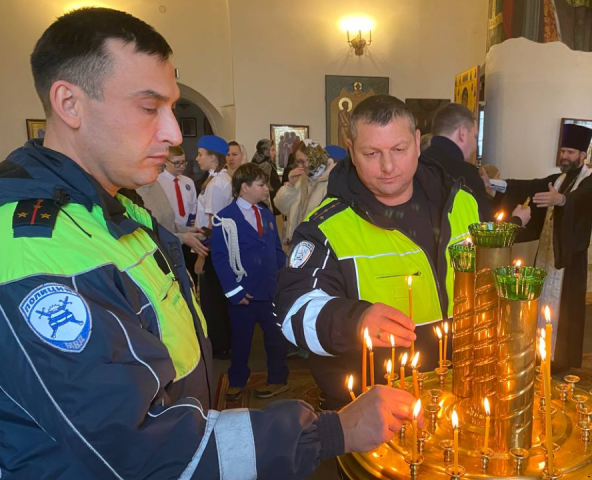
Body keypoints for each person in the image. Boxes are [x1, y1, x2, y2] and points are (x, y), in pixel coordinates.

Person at [0, 8, 423, 480]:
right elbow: (139, 451)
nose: (173, 132)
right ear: (69, 103)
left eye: (171, 107)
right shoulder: (32, 249)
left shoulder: (118, 209)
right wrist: (331, 431)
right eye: (148, 107)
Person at [275, 95, 482, 410]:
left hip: (458, 391)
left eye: (399, 150)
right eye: (372, 153)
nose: (388, 167)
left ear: (416, 141)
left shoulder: (463, 203)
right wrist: (355, 321)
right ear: (352, 150)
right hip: (371, 408)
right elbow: (293, 310)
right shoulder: (327, 227)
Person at [484, 123, 592, 373]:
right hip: (546, 255)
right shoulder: (556, 179)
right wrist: (494, 184)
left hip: (568, 260)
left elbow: (582, 199)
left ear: (583, 154)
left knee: (565, 309)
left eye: (570, 152)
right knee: (541, 300)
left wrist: (562, 200)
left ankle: (561, 360)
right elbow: (527, 186)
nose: (565, 157)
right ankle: (539, 351)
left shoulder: (590, 182)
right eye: (563, 151)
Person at [211, 164, 289, 401]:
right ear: (244, 188)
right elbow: (221, 257)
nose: (266, 189)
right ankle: (237, 380)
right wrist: (234, 292)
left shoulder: (265, 214)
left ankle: (278, 378)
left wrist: (284, 278)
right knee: (241, 340)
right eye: (261, 185)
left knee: (276, 339)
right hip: (243, 293)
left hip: (269, 290)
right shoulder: (224, 218)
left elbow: (275, 248)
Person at [423, 102, 530, 226]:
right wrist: (517, 220)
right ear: (462, 133)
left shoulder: (418, 163)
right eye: (474, 136)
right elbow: (486, 234)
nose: (475, 145)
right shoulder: (465, 174)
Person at [194, 135, 233, 358]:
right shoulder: (215, 179)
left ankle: (220, 345)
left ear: (213, 158)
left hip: (213, 248)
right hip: (213, 245)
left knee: (213, 299)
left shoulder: (217, 184)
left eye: (201, 154)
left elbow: (213, 224)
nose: (197, 158)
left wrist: (201, 255)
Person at [274, 139, 335, 246]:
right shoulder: (300, 179)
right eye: (298, 162)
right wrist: (290, 186)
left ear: (315, 157)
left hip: (318, 245)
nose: (300, 166)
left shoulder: (332, 180)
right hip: (297, 244)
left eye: (303, 161)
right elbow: (281, 207)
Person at [156, 145, 201, 282]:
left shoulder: (188, 182)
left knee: (189, 272)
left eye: (183, 162)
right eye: (177, 163)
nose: (181, 166)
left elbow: (193, 205)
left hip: (187, 231)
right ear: (165, 162)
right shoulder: (157, 182)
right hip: (169, 233)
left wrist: (191, 222)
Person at [251, 138, 281, 213]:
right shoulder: (266, 165)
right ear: (266, 151)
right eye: (272, 150)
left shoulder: (257, 164)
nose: (275, 153)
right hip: (266, 203)